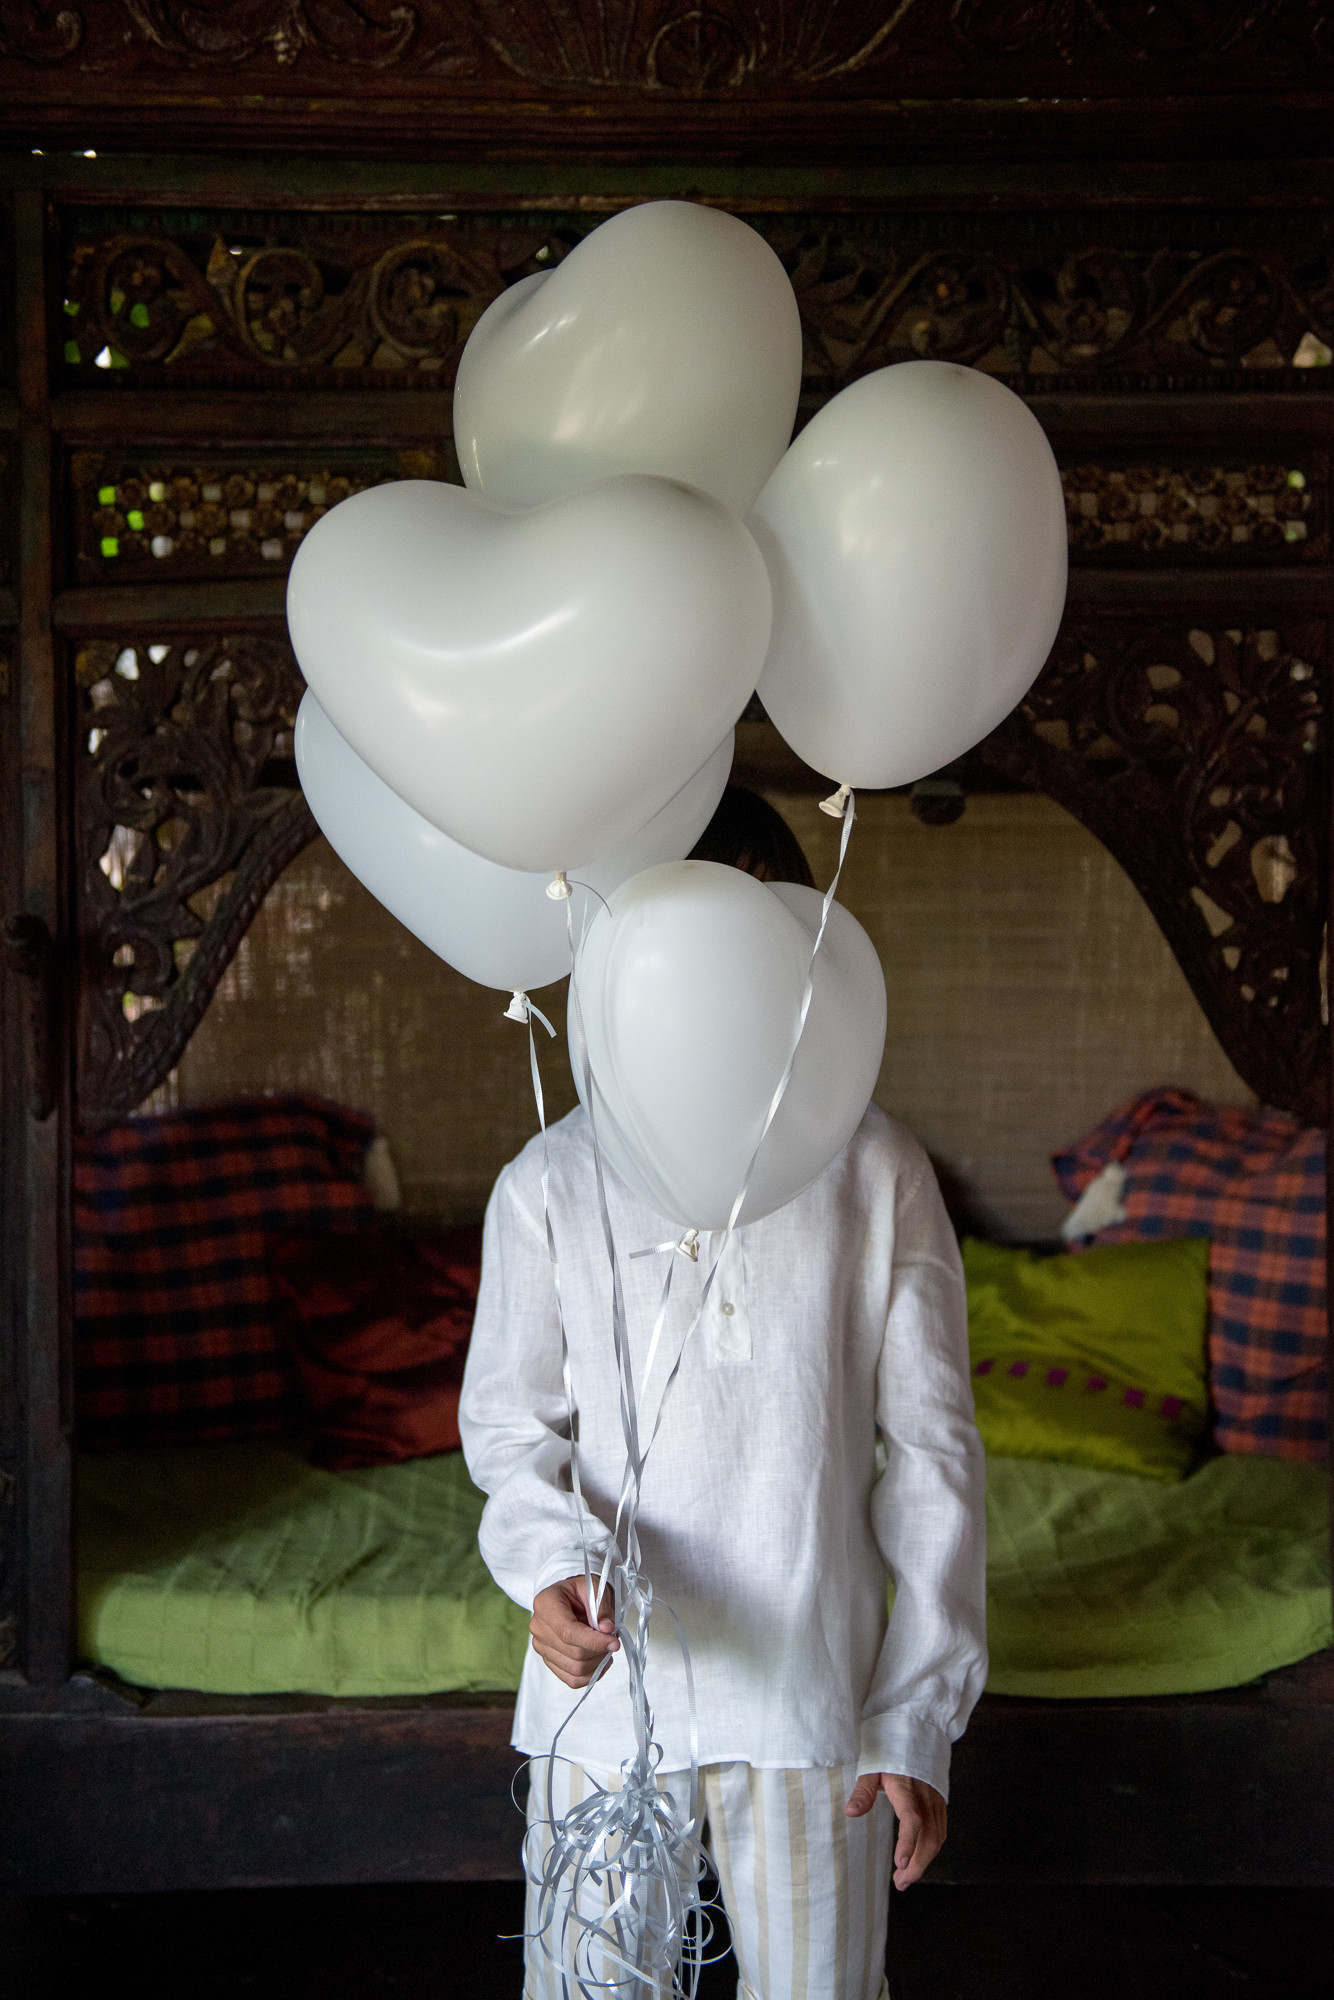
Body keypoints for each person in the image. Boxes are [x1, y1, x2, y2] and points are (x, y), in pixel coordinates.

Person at [459, 788, 987, 2000]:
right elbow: (505, 1426)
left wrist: (914, 1715)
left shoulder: (876, 1170)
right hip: (603, 1710)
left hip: (817, 1708)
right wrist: (546, 1568)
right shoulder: (549, 1180)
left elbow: (933, 1458)